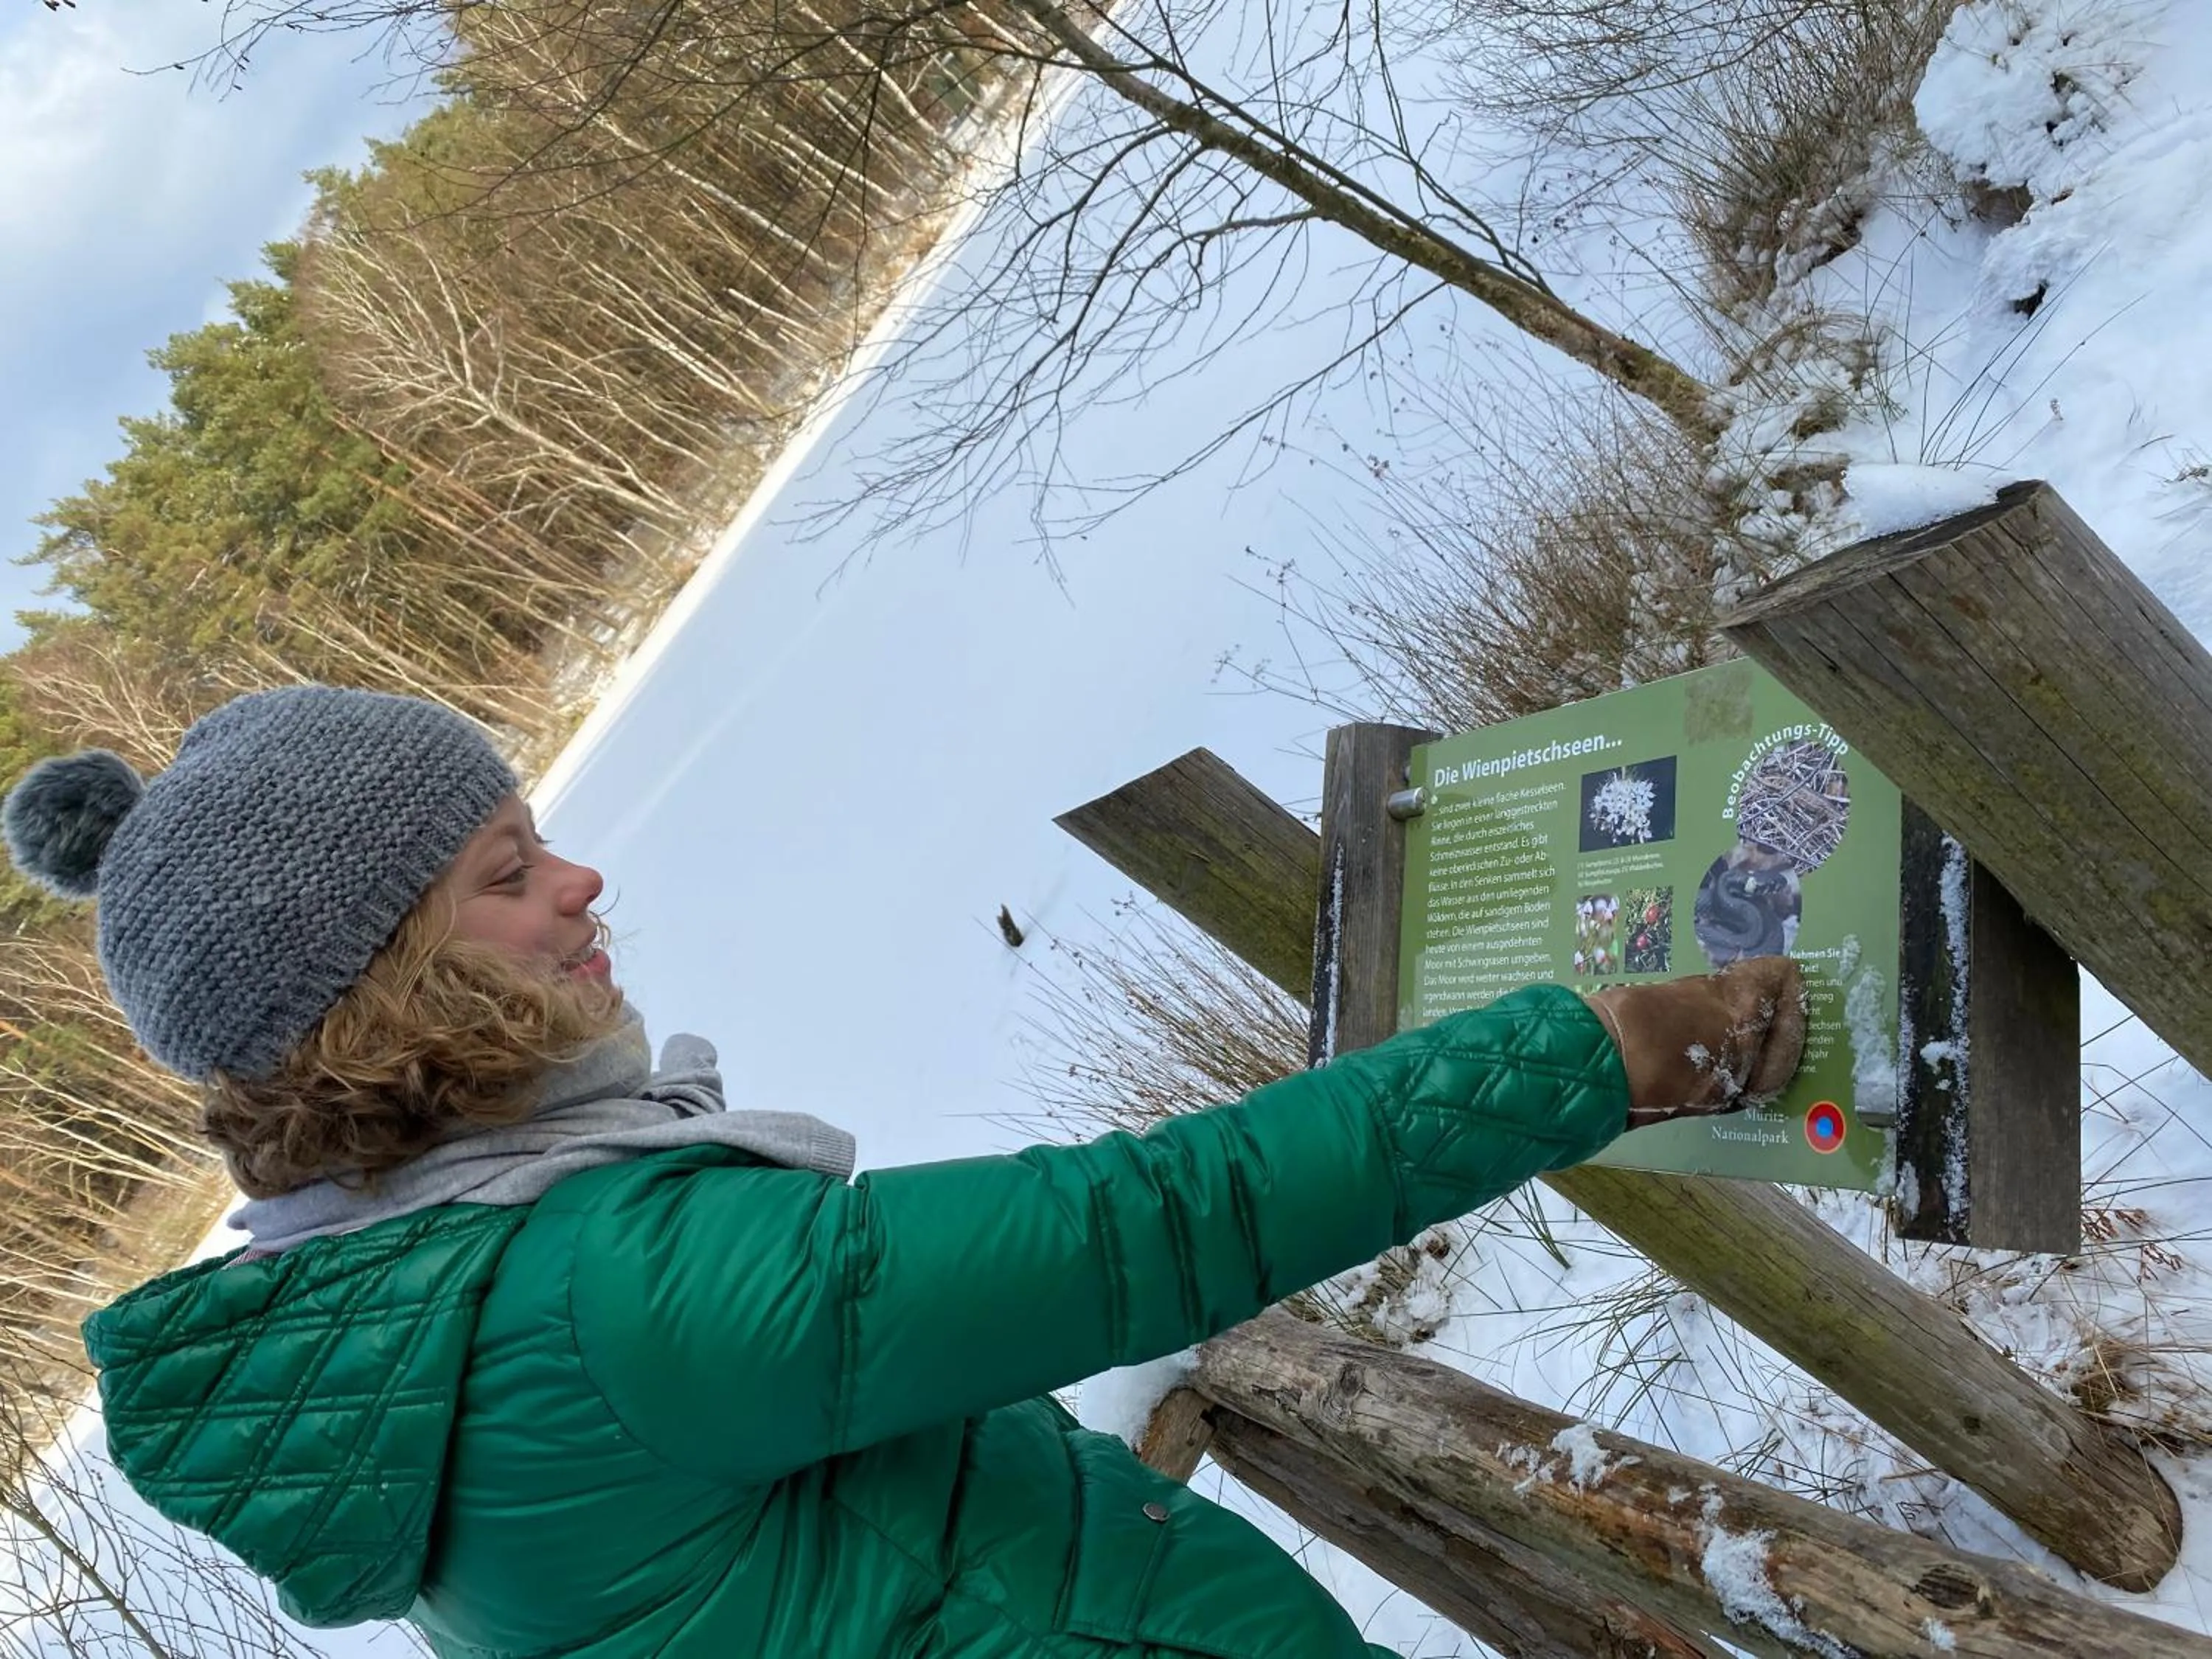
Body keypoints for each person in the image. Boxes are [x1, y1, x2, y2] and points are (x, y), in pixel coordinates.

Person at [2, 686, 1806, 1659]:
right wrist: (1591, 1054)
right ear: (386, 995)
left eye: (543, 840)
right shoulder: (605, 1293)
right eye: (504, 872)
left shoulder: (392, 1304)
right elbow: (1142, 1231)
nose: (580, 888)